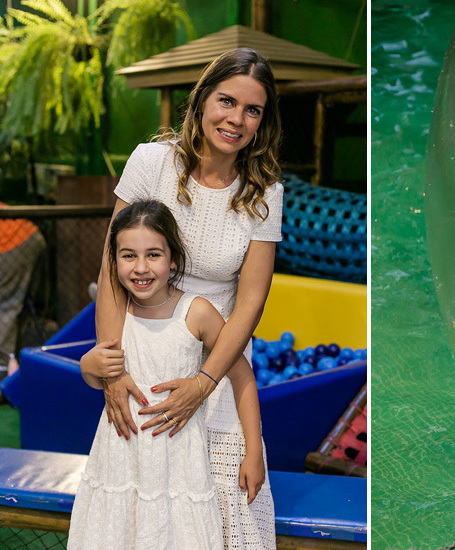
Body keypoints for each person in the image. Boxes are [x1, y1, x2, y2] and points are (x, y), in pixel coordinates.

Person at [80, 48, 282, 548]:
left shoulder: (264, 191)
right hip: (147, 351)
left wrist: (205, 380)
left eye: (252, 110)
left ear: (262, 121)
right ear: (202, 99)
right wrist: (113, 368)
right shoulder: (151, 162)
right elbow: (113, 265)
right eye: (226, 101)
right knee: (144, 494)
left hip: (221, 353)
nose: (236, 119)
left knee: (229, 508)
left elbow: (252, 301)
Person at [70, 200, 264, 549]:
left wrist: (253, 452)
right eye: (128, 255)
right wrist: (87, 366)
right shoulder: (117, 313)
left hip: (178, 466)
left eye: (154, 255)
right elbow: (95, 374)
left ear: (173, 259)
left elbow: (242, 377)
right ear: (113, 261)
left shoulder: (196, 312)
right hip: (120, 459)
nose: (141, 268)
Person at [0, 204, 46, 362]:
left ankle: (4, 364)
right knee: (14, 305)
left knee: (7, 304)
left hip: (13, 243)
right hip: (27, 236)